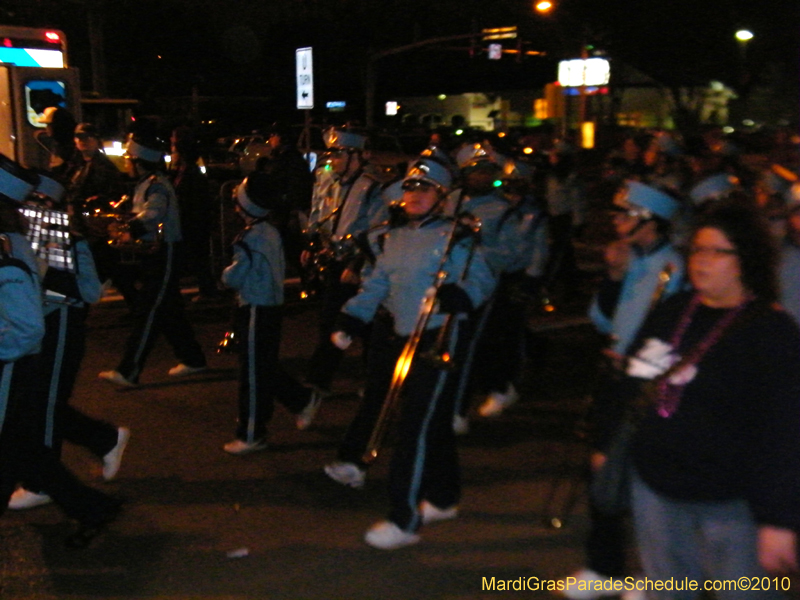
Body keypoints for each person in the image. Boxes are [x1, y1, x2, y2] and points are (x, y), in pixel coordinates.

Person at [623, 199, 800, 594]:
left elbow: (785, 432)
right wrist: (608, 441)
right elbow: (631, 380)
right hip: (656, 487)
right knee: (669, 589)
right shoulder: (673, 310)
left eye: (718, 251)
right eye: (698, 249)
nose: (702, 260)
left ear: (745, 260)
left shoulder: (771, 331)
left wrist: (779, 520)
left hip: (731, 500)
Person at [324, 157, 496, 549]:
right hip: (402, 334)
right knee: (431, 424)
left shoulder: (457, 237)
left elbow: (482, 279)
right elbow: (376, 285)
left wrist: (460, 295)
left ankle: (404, 519)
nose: (415, 195)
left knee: (415, 427)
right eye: (410, 187)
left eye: (425, 189)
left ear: (442, 196)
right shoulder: (393, 237)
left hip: (439, 338)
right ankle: (444, 497)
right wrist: (351, 319)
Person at [560, 181, 685, 598]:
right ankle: (605, 566)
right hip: (616, 376)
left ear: (651, 222)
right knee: (602, 471)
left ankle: (659, 577)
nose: (616, 222)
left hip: (651, 384)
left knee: (649, 481)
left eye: (626, 215)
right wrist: (614, 277)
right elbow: (601, 320)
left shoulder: (675, 267)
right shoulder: (631, 259)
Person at [0, 154, 121, 549]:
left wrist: (53, 271)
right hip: (30, 341)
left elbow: (85, 293)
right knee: (22, 439)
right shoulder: (20, 237)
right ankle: (91, 502)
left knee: (38, 417)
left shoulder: (40, 240)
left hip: (41, 338)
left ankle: (71, 481)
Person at [98, 132, 207, 387]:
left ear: (139, 161)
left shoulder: (156, 185)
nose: (126, 162)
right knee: (169, 311)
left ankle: (129, 371)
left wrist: (130, 228)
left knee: (148, 312)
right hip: (156, 252)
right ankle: (193, 358)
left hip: (164, 252)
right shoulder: (147, 183)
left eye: (129, 158)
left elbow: (154, 213)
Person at [219, 172, 318, 455]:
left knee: (252, 373)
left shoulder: (249, 238)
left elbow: (235, 276)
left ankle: (252, 433)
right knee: (262, 365)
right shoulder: (271, 231)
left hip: (253, 308)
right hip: (272, 307)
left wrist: (225, 275)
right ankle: (301, 400)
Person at [302, 127, 385, 408]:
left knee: (360, 325)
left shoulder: (373, 187)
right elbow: (321, 215)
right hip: (335, 262)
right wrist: (312, 244)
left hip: (360, 267)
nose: (333, 160)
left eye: (339, 154)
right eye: (332, 154)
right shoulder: (333, 181)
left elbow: (377, 231)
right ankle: (323, 380)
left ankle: (330, 380)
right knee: (339, 322)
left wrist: (356, 264)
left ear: (359, 156)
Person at [62, 122, 130, 303]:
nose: (83, 141)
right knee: (107, 267)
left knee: (104, 265)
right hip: (81, 225)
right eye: (79, 137)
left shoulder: (103, 166)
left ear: (96, 140)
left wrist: (97, 205)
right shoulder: (75, 164)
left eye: (88, 137)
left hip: (95, 226)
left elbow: (115, 194)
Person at [168, 126, 218, 302]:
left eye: (174, 143)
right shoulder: (182, 170)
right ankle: (206, 289)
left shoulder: (189, 171)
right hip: (191, 220)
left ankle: (206, 291)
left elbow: (190, 198)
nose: (171, 146)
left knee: (195, 258)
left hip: (192, 221)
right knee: (196, 258)